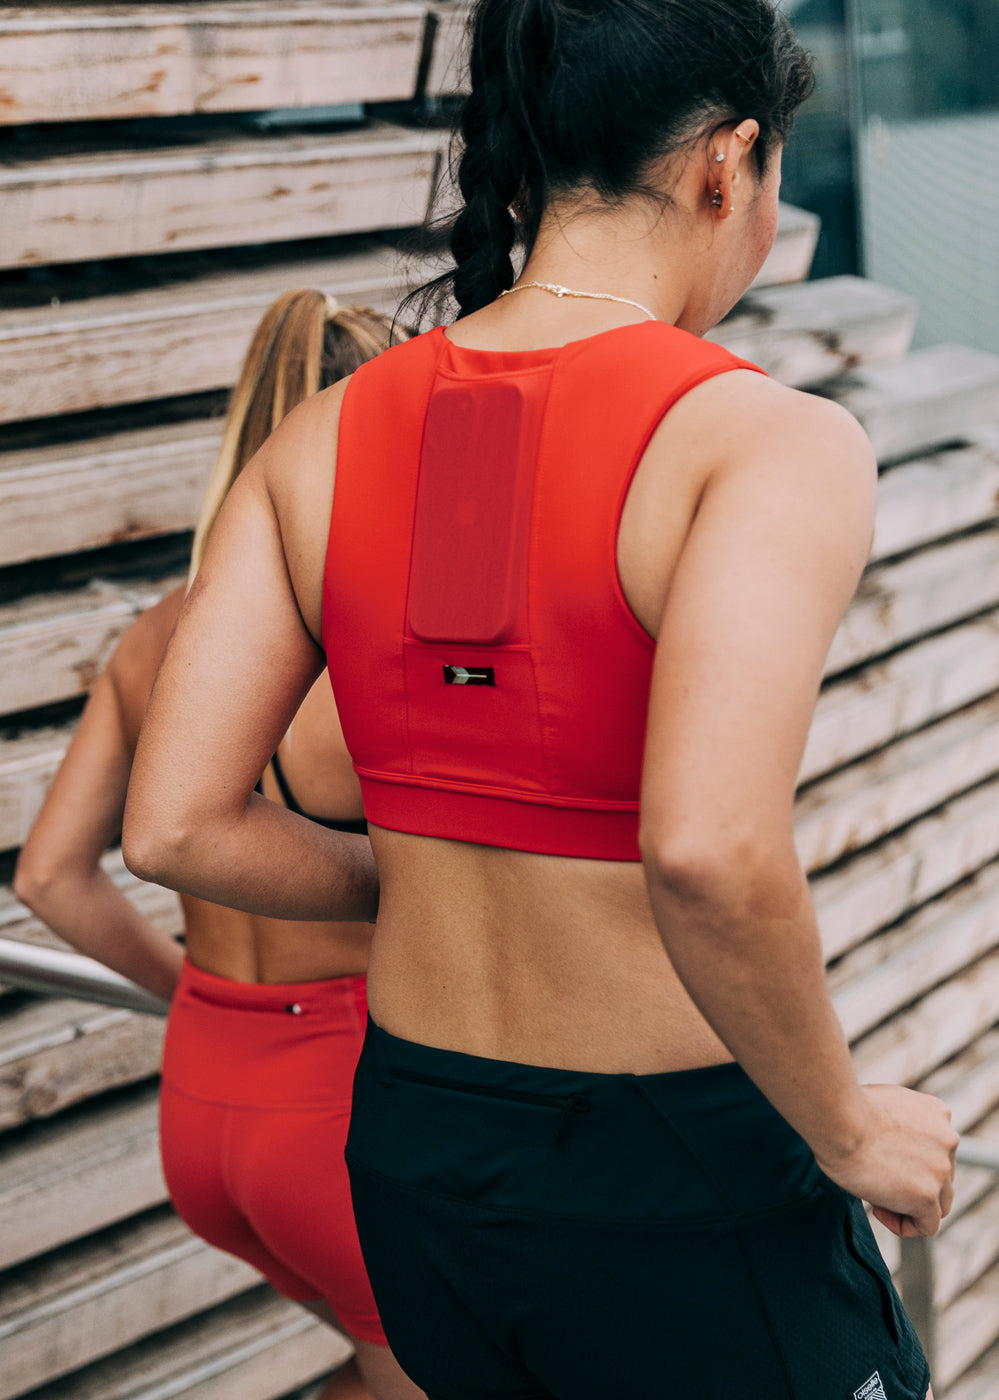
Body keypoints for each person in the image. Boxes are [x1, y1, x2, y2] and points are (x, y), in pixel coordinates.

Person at [122, 2, 959, 1397]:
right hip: (669, 1177)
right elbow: (707, 849)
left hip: (416, 1154)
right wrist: (849, 1129)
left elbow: (173, 827)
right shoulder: (764, 441)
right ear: (727, 161)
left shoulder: (320, 439)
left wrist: (431, 871)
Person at [14, 292, 424, 1400]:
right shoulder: (365, 644)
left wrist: (195, 996)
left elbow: (48, 875)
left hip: (203, 1112)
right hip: (344, 1113)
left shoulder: (159, 635)